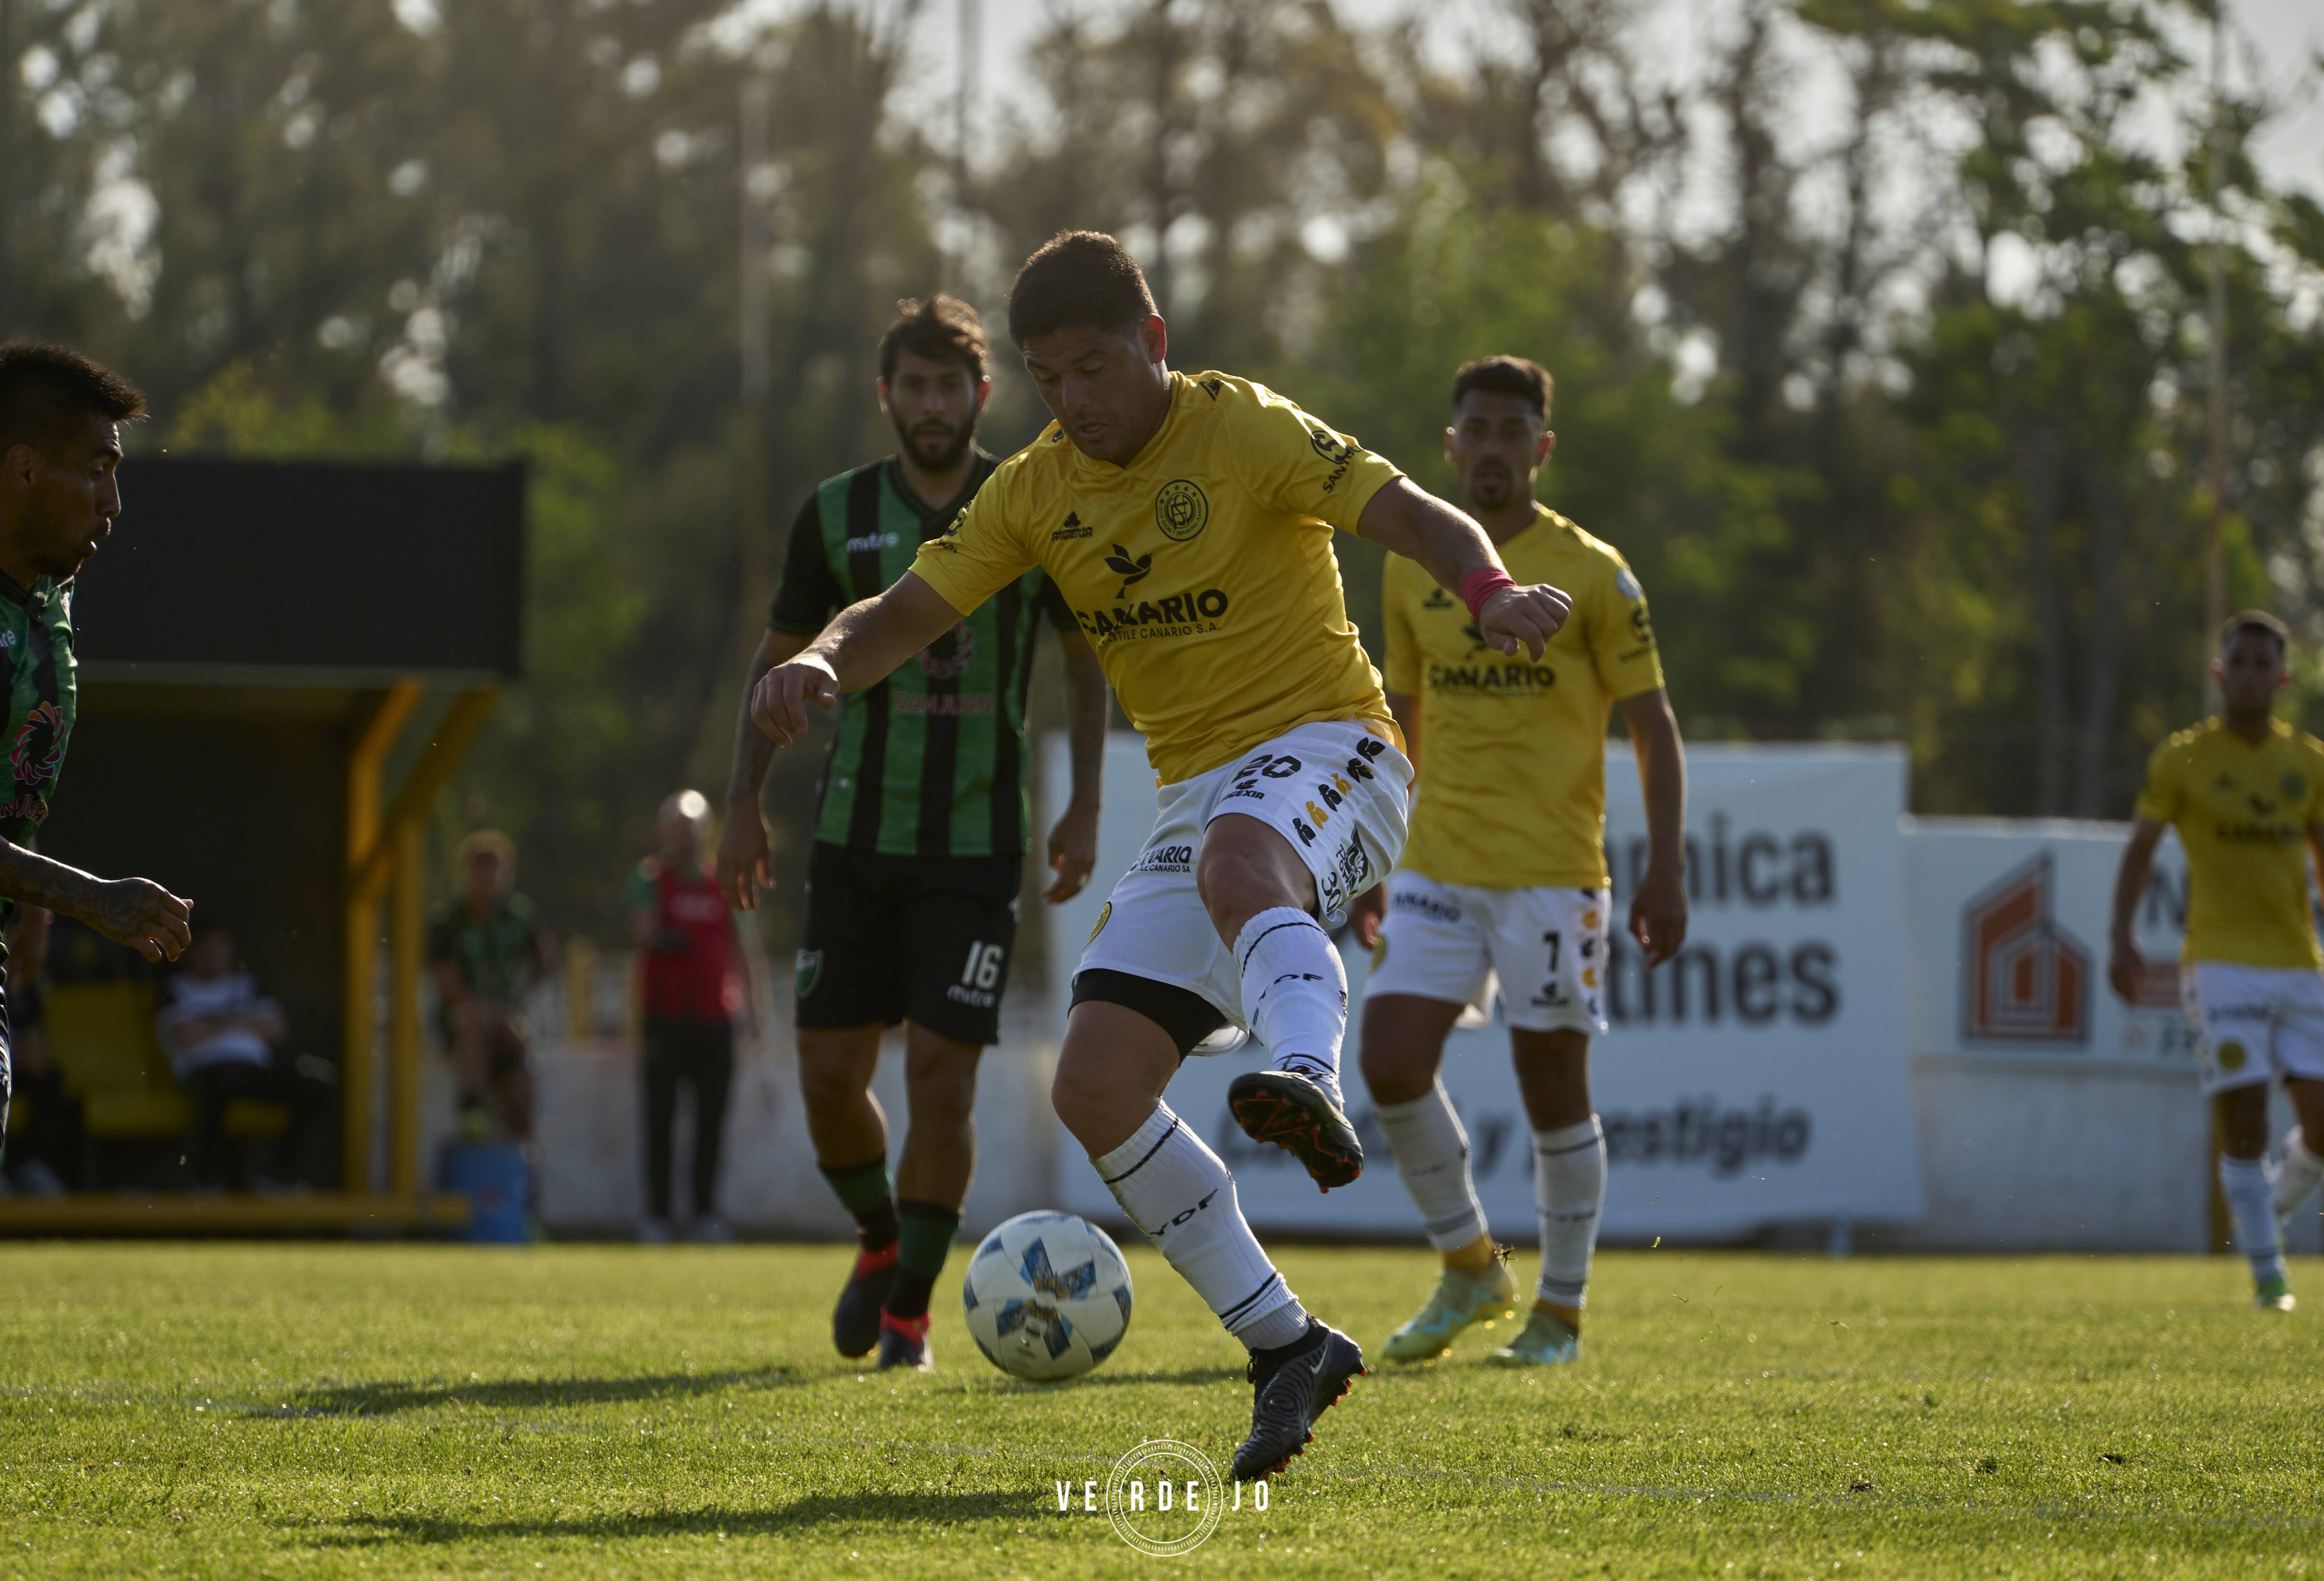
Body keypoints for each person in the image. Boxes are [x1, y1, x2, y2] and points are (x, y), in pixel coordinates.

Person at [748, 233, 1571, 1477]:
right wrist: (820, 658)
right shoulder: (1031, 488)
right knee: (1094, 1085)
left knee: (1242, 864)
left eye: (1094, 367)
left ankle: (1307, 1073)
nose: (1073, 399)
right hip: (1201, 799)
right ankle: (1285, 1343)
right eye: (1047, 377)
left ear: (1156, 346)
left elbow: (1408, 510)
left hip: (1333, 750)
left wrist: (1490, 584)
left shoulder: (1239, 427)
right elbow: (903, 613)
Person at [719, 293, 1110, 1373]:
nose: (933, 403)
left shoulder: (1030, 502)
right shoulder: (836, 512)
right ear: (885, 393)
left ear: (983, 394)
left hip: (975, 848)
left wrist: (1084, 800)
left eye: (953, 385)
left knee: (944, 1079)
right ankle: (883, 1240)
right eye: (915, 384)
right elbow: (778, 659)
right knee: (829, 1082)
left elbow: (1083, 657)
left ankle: (913, 1314)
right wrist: (745, 797)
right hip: (854, 839)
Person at [1349, 356, 1688, 1369]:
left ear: (1540, 449)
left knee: (1551, 1079)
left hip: (1551, 872)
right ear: (1450, 446)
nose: (1492, 448)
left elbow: (1653, 723)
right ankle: (1468, 1264)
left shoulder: (1595, 570)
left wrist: (1666, 867)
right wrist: (1372, 844)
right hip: (1435, 862)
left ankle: (1564, 1308)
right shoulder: (1414, 561)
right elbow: (1399, 716)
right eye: (1476, 431)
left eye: (1512, 432)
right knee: (1389, 1057)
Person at [0, 343, 195, 1166]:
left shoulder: (47, 596)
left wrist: (28, 880)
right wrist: (87, 896)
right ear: (23, 470)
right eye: (97, 469)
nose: (114, 503)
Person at [2109, 610, 2324, 1313]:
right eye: (2240, 662)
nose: (2251, 675)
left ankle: (2263, 1210)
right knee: (2245, 1121)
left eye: (2265, 665)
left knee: (2321, 1126)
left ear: (2283, 678)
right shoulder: (2183, 758)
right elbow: (2140, 849)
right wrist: (2120, 935)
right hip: (2221, 960)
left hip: (2296, 958)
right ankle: (2269, 1277)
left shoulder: (2307, 764)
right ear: (2218, 673)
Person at [627, 789, 753, 1243]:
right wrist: (665, 939)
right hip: (665, 1018)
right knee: (660, 1120)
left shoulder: (723, 880)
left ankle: (704, 1214)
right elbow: (644, 933)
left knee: (710, 1123)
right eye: (677, 830)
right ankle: (657, 1216)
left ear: (706, 833)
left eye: (692, 829)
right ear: (666, 833)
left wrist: (755, 1015)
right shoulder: (650, 879)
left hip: (714, 1021)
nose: (685, 838)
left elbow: (742, 949)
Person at [155, 919, 332, 1190]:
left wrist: (213, 1024)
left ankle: (279, 1177)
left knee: (316, 1083)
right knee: (222, 1085)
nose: (216, 953)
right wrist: (243, 1021)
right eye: (208, 946)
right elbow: (185, 1035)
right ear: (192, 950)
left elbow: (277, 1028)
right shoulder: (174, 987)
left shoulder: (248, 984)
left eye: (222, 946)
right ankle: (204, 1182)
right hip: (202, 1073)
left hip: (253, 1071)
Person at [427, 830, 554, 1143]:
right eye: (481, 877)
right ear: (467, 876)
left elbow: (546, 959)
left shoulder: (519, 915)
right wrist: (495, 1013)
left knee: (521, 1055)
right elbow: (447, 984)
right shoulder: (448, 921)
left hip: (506, 1024)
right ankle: (472, 1112)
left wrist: (521, 999)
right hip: (462, 1022)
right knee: (472, 1021)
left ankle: (521, 1157)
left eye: (495, 877)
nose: (489, 886)